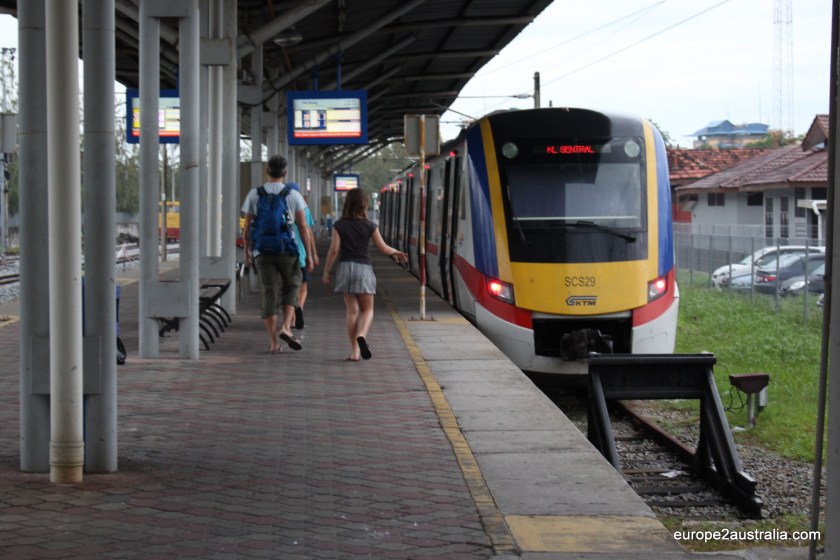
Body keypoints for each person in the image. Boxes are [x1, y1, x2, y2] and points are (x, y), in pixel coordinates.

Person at [322, 188, 407, 361]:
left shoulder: (339, 225)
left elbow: (334, 250)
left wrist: (326, 272)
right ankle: (362, 334)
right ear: (364, 204)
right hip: (364, 269)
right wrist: (395, 252)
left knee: (351, 311)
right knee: (368, 309)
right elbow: (383, 247)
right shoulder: (370, 226)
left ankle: (354, 352)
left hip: (345, 268)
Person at [242, 155, 312, 354]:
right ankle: (286, 328)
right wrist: (307, 254)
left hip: (261, 250)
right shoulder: (293, 195)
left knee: (268, 291)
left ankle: (273, 343)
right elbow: (303, 226)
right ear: (285, 173)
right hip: (286, 249)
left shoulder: (255, 194)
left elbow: (247, 227)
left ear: (267, 172)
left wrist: (247, 252)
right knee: (293, 285)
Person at [285, 182, 318, 329]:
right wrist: (312, 254)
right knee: (302, 286)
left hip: (283, 252)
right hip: (301, 253)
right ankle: (299, 308)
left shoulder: (280, 207)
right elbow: (308, 232)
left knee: (288, 287)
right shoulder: (304, 208)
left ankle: (290, 317)